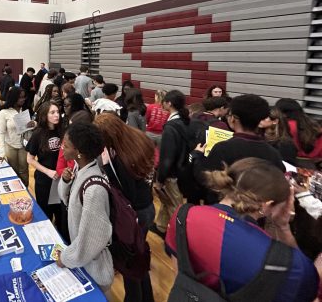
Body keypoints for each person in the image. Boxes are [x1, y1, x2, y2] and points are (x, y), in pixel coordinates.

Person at [165, 158, 319, 302]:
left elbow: (179, 272)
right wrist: (283, 227)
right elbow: (307, 281)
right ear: (267, 204)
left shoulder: (184, 215)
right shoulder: (282, 260)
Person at [94, 113, 155, 302]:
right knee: (139, 258)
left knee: (130, 265)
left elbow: (126, 194)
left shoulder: (121, 158)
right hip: (148, 207)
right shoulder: (138, 139)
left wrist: (108, 169)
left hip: (136, 214)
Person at [57, 122, 114, 293]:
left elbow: (91, 240)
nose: (62, 148)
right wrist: (66, 181)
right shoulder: (79, 167)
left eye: (66, 145)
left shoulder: (94, 190)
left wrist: (65, 258)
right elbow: (66, 199)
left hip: (94, 272)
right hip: (82, 261)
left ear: (79, 152)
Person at [152, 90, 191, 238]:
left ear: (169, 103)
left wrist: (160, 179)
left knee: (175, 205)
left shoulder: (171, 127)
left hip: (172, 173)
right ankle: (161, 227)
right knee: (166, 200)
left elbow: (167, 157)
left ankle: (178, 237)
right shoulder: (185, 121)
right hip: (182, 169)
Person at [26, 102, 63, 226]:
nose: (56, 115)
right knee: (45, 213)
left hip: (61, 180)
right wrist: (47, 171)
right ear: (45, 115)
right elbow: (30, 159)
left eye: (57, 112)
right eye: (52, 113)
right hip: (44, 181)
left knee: (60, 213)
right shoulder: (38, 134)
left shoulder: (62, 130)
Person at [0, 87, 30, 186]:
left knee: (24, 171)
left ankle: (25, 192)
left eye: (24, 97)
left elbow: (34, 124)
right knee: (13, 171)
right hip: (10, 145)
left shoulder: (25, 109)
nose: (23, 99)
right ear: (13, 98)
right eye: (20, 97)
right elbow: (1, 133)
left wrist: (34, 124)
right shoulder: (4, 112)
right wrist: (1, 152)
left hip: (24, 146)